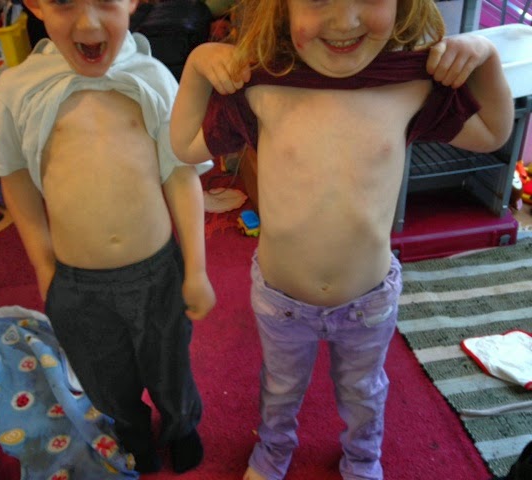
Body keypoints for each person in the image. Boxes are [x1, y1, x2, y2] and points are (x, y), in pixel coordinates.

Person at [170, 0, 514, 478]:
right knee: (280, 387)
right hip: (282, 301)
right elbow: (185, 145)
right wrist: (196, 65)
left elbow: (493, 132)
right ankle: (272, 451)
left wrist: (486, 57)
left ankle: (362, 457)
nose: (345, 20)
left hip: (367, 302)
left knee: (364, 391)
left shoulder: (410, 85)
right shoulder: (261, 86)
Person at [0, 0, 216, 474]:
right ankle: (133, 431)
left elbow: (180, 175)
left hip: (157, 271)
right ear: (35, 4)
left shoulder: (153, 77)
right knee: (104, 377)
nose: (89, 21)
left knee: (171, 364)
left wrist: (196, 268)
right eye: (65, 2)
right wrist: (44, 265)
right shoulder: (16, 89)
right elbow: (15, 177)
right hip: (78, 284)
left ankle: (181, 425)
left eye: (105, 1)